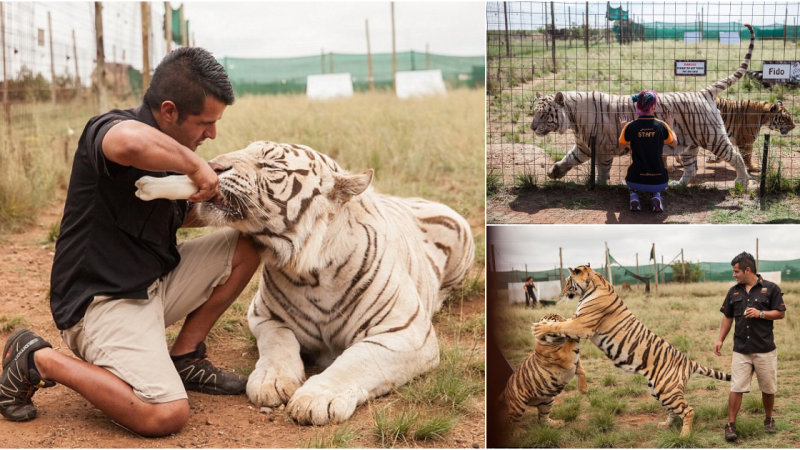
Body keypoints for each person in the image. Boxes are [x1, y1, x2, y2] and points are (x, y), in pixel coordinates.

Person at [0, 47, 261, 437]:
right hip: (102, 302)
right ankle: (37, 358)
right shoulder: (110, 129)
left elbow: (169, 216)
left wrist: (229, 207)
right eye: (205, 122)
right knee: (165, 414)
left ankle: (186, 354)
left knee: (248, 245)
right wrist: (195, 167)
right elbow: (130, 144)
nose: (212, 134)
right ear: (169, 111)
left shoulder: (178, 150)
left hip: (153, 284)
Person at [714, 251, 786, 442]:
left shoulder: (771, 289)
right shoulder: (733, 291)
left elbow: (780, 313)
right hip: (741, 349)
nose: (734, 275)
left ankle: (769, 418)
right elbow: (727, 317)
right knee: (736, 387)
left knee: (768, 388)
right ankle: (730, 425)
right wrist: (721, 339)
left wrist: (761, 314)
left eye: (736, 271)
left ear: (747, 270)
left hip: (765, 349)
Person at [618, 90, 677, 213]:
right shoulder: (662, 126)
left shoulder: (630, 126)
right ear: (654, 107)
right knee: (658, 172)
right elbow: (674, 143)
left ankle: (634, 196)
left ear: (637, 107)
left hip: (635, 181)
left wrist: (624, 128)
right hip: (659, 182)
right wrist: (670, 125)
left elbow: (621, 145)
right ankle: (656, 196)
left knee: (631, 172)